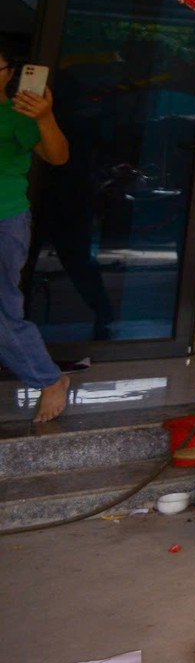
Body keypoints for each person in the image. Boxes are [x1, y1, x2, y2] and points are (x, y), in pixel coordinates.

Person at [0, 45, 72, 423]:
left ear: (10, 73)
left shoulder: (20, 114)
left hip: (4, 218)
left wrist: (45, 117)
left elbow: (58, 156)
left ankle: (48, 379)